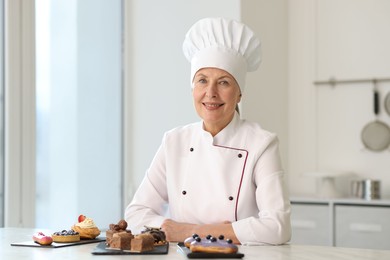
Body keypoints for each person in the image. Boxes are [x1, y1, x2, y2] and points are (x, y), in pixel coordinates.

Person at [125, 17, 291, 245]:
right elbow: (136, 213)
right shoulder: (174, 141)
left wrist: (189, 231)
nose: (210, 93)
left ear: (239, 93)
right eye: (202, 81)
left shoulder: (261, 144)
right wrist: (182, 230)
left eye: (223, 82)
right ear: (193, 89)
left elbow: (278, 227)